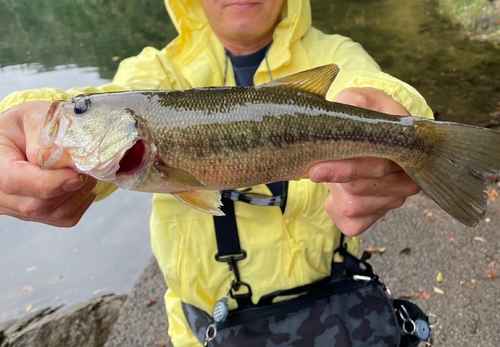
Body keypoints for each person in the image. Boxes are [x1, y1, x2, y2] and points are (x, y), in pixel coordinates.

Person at [0, 0, 433, 345]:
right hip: (202, 330)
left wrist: (404, 120)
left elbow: (376, 86)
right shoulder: (152, 71)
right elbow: (98, 98)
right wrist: (22, 124)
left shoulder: (336, 52)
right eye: (80, 110)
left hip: (337, 306)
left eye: (79, 112)